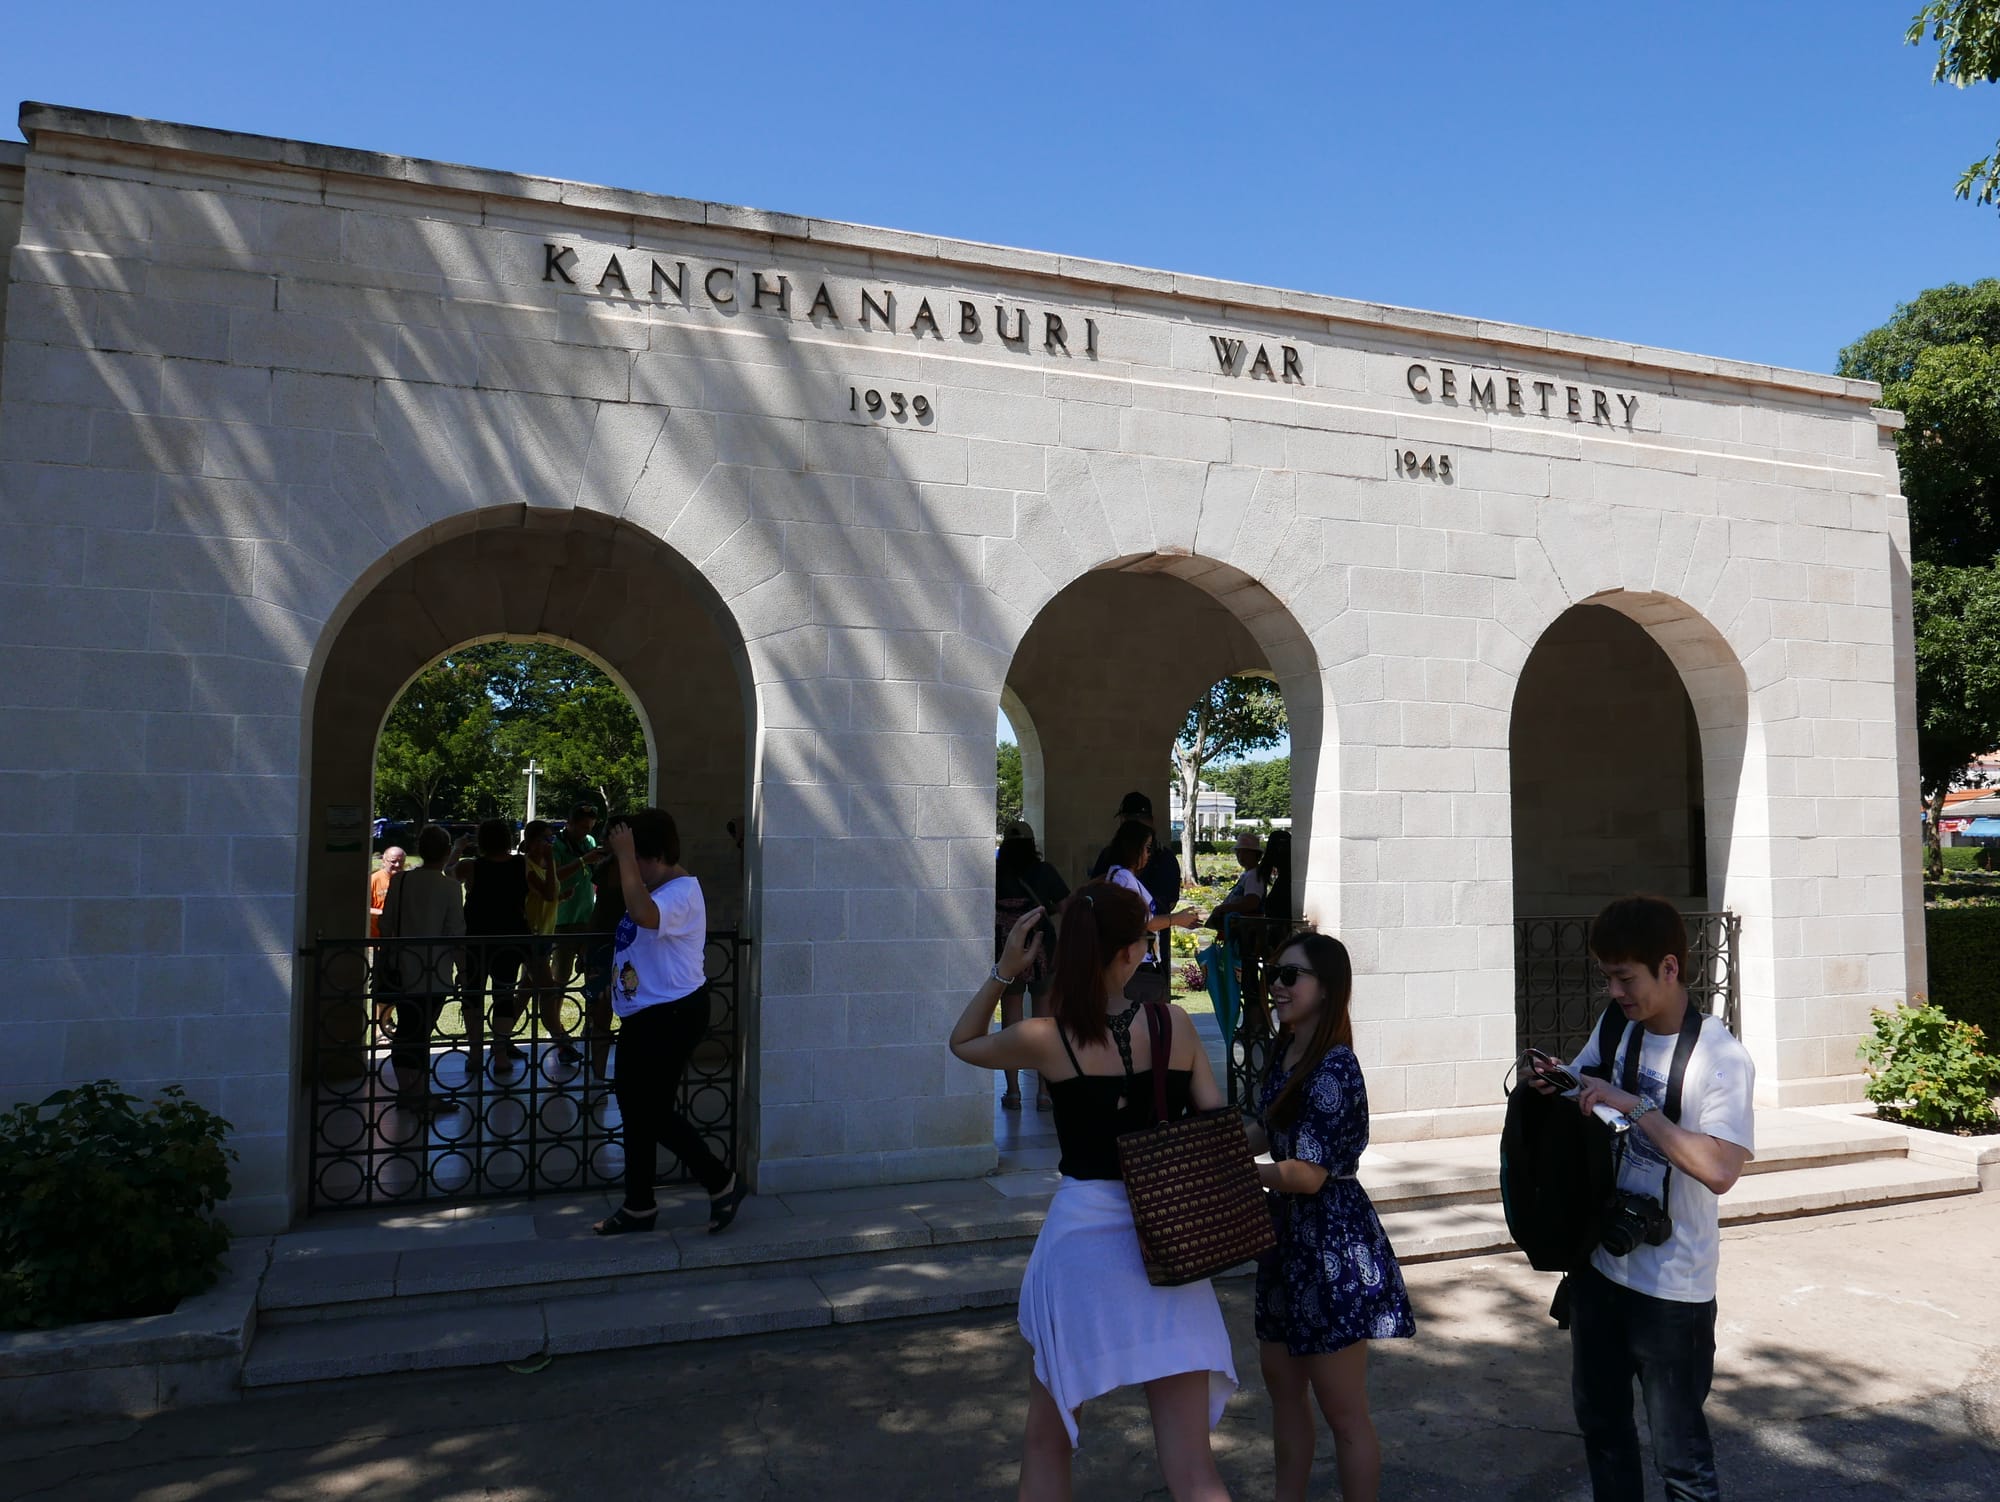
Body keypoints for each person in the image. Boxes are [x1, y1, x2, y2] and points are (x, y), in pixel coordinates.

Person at [948, 881, 1237, 1501]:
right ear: (1133, 951)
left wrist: (1005, 971)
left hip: (1082, 1244)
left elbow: (963, 1042)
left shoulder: (1047, 1037)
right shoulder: (1176, 1026)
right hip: (1169, 1244)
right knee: (1192, 1467)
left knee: (1048, 1443)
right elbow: (1218, 1128)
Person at [1527, 895, 1756, 1502]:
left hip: (1673, 1290)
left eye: (1625, 977)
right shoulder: (1615, 1027)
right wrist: (1552, 1082)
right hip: (1604, 1267)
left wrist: (1636, 1107)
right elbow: (1583, 1087)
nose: (1615, 990)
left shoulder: (1721, 1056)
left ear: (1671, 968)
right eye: (1607, 976)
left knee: (1680, 1460)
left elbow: (1720, 1169)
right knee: (1603, 1431)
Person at [1247, 930, 1415, 1502]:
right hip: (1287, 1238)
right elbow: (1265, 1128)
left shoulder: (1335, 1068)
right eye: (1275, 973)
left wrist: (1237, 1176)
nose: (1276, 985)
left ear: (1327, 987)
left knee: (1344, 1413)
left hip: (1330, 1243)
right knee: (1284, 1393)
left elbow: (1307, 1174)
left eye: (1291, 975)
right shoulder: (1287, 1050)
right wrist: (1204, 1146)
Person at [592, 807, 747, 1237]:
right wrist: (619, 990)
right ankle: (639, 1205)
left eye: (634, 858)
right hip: (648, 1013)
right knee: (635, 1110)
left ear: (653, 854)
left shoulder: (681, 892)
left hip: (673, 1015)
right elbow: (641, 946)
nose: (630, 870)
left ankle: (721, 1181)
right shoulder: (654, 889)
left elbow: (643, 916)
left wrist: (623, 855)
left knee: (651, 1112)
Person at [375, 825, 465, 1113]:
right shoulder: (449, 887)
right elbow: (456, 933)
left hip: (401, 968)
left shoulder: (400, 882)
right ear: (447, 851)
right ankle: (419, 1093)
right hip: (434, 971)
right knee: (421, 1033)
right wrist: (463, 970)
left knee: (405, 1032)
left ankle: (407, 1091)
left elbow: (387, 924)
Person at [994, 819, 1070, 1111]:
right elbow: (1067, 907)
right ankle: (1044, 1092)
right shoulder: (1044, 871)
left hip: (1008, 954)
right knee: (1044, 1023)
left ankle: (1013, 1093)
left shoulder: (997, 872)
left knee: (1011, 1023)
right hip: (1043, 953)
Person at [454, 819, 536, 1073]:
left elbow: (446, 872)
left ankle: (475, 1053)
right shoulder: (521, 864)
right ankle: (500, 1055)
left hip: (477, 938)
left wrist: (457, 848)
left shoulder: (472, 866)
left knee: (472, 994)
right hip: (510, 937)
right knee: (504, 994)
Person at [1101, 818, 1201, 1006]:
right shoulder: (1123, 877)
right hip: (1137, 966)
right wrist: (1176, 919)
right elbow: (1143, 922)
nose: (1149, 855)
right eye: (1147, 848)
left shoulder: (1120, 875)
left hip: (1137, 964)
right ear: (1133, 848)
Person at [518, 819, 574, 1064]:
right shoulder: (527, 865)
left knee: (525, 991)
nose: (550, 844)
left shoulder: (540, 864)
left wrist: (560, 898)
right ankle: (562, 1043)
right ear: (532, 841)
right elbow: (546, 891)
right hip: (533, 937)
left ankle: (502, 1037)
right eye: (546, 839)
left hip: (545, 936)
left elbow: (547, 898)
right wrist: (552, 861)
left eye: (552, 839)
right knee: (549, 991)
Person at [1088, 790, 1183, 920]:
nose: (1147, 855)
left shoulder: (1164, 856)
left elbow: (1169, 903)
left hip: (1153, 934)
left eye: (1148, 848)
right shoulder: (1114, 863)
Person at [551, 805, 604, 1035]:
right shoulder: (556, 846)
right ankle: (556, 1029)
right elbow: (554, 876)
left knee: (593, 977)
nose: (586, 832)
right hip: (562, 923)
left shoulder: (590, 842)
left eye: (590, 828)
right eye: (582, 827)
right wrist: (584, 860)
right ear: (569, 824)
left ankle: (590, 1026)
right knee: (559, 981)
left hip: (587, 920)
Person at [368, 845, 407, 1030]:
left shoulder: (406, 881)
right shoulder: (374, 880)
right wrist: (384, 913)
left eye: (401, 861)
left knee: (398, 984)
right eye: (393, 861)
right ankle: (379, 1026)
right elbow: (364, 908)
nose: (397, 865)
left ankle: (387, 1020)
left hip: (402, 944)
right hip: (379, 944)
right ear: (384, 860)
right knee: (382, 986)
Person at [1204, 828, 1267, 931]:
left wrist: (1224, 908)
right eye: (1238, 853)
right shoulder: (1249, 874)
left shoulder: (1253, 876)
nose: (1241, 857)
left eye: (1246, 853)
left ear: (1256, 855)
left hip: (1247, 930)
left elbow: (1251, 903)